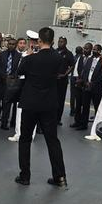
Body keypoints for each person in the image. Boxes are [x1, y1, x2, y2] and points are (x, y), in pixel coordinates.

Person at [15, 26, 67, 188]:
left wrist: (28, 56)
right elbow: (60, 73)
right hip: (49, 104)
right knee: (52, 140)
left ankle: (25, 176)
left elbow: (19, 71)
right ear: (53, 41)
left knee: (25, 139)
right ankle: (60, 177)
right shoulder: (58, 58)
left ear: (39, 40)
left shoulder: (31, 59)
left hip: (30, 103)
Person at [8, 29, 39, 142]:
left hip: (32, 84)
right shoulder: (25, 54)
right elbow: (19, 69)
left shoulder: (37, 55)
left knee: (31, 111)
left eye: (33, 41)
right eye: (31, 41)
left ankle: (28, 135)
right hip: (23, 84)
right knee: (20, 110)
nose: (32, 43)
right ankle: (19, 134)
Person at [0, 38, 22, 129]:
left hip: (11, 83)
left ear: (16, 45)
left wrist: (12, 77)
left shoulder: (19, 56)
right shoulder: (1, 54)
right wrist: (4, 76)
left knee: (7, 104)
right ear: (7, 44)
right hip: (0, 82)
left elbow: (18, 68)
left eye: (13, 44)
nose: (11, 45)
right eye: (10, 44)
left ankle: (4, 123)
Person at [75, 45, 102, 131]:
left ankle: (97, 126)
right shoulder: (90, 59)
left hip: (96, 88)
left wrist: (92, 83)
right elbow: (85, 71)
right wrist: (85, 82)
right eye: (93, 49)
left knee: (97, 107)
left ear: (99, 51)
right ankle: (83, 124)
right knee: (85, 106)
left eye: (95, 50)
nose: (93, 51)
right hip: (86, 86)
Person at [71, 42, 93, 128]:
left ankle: (84, 123)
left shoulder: (92, 59)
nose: (84, 50)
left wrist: (85, 81)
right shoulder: (81, 58)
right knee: (78, 104)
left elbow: (92, 72)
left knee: (85, 105)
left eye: (87, 49)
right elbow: (77, 69)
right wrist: (77, 79)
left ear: (91, 50)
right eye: (84, 48)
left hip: (86, 85)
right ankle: (77, 121)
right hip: (79, 84)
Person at [55, 37, 75, 125]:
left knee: (60, 100)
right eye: (59, 41)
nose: (60, 43)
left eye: (62, 42)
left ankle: (58, 119)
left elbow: (72, 66)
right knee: (51, 99)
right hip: (53, 79)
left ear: (65, 43)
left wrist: (65, 74)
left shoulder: (69, 54)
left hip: (62, 81)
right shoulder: (54, 51)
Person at [69, 45, 84, 119]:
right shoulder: (83, 59)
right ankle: (77, 111)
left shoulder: (73, 58)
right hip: (79, 78)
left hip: (72, 77)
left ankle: (72, 110)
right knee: (79, 96)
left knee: (72, 95)